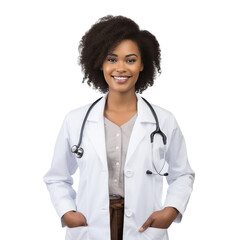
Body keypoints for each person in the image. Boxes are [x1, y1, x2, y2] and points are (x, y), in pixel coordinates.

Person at [43, 15, 195, 240]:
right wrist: (67, 212)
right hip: (91, 225)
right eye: (112, 59)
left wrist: (170, 210)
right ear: (99, 63)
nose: (121, 68)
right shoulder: (75, 120)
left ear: (143, 64)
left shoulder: (164, 121)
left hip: (144, 226)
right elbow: (57, 176)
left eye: (130, 60)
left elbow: (182, 174)